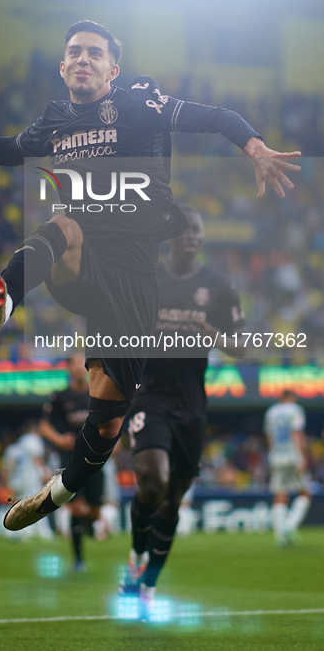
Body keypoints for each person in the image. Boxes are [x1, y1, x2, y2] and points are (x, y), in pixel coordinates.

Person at [0, 20, 300, 534]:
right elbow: (16, 148)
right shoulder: (55, 118)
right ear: (62, 68)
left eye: (94, 54)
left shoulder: (137, 102)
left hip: (133, 279)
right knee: (63, 223)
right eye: (74, 53)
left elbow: (214, 116)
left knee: (107, 420)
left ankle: (55, 493)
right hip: (81, 260)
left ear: (113, 68)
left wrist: (255, 147)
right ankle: (5, 299)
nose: (83, 59)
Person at [121, 205, 246, 618]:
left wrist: (214, 334)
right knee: (152, 483)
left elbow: (242, 345)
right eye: (186, 229)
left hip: (192, 406)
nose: (192, 236)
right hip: (149, 396)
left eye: (198, 231)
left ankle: (149, 581)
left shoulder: (219, 287)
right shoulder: (146, 278)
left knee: (172, 502)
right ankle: (137, 553)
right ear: (171, 233)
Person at [39, 355, 106, 571]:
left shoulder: (97, 393)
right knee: (76, 508)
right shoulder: (59, 397)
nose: (79, 367)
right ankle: (78, 559)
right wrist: (59, 440)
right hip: (70, 458)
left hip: (95, 457)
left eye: (82, 363)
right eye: (75, 363)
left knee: (95, 511)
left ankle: (86, 526)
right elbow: (44, 426)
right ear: (69, 368)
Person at [263, 390, 311, 547]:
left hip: (277, 456)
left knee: (280, 493)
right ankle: (289, 526)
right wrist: (302, 456)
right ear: (291, 398)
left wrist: (271, 455)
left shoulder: (271, 412)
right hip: (293, 456)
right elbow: (297, 433)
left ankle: (280, 536)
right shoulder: (295, 409)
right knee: (305, 492)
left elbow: (269, 436)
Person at [0, 419, 53, 541]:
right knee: (38, 504)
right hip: (29, 480)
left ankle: (11, 532)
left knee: (14, 506)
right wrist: (45, 473)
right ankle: (44, 532)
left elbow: (6, 468)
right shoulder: (33, 440)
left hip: (15, 481)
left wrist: (4, 484)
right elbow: (37, 459)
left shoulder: (13, 448)